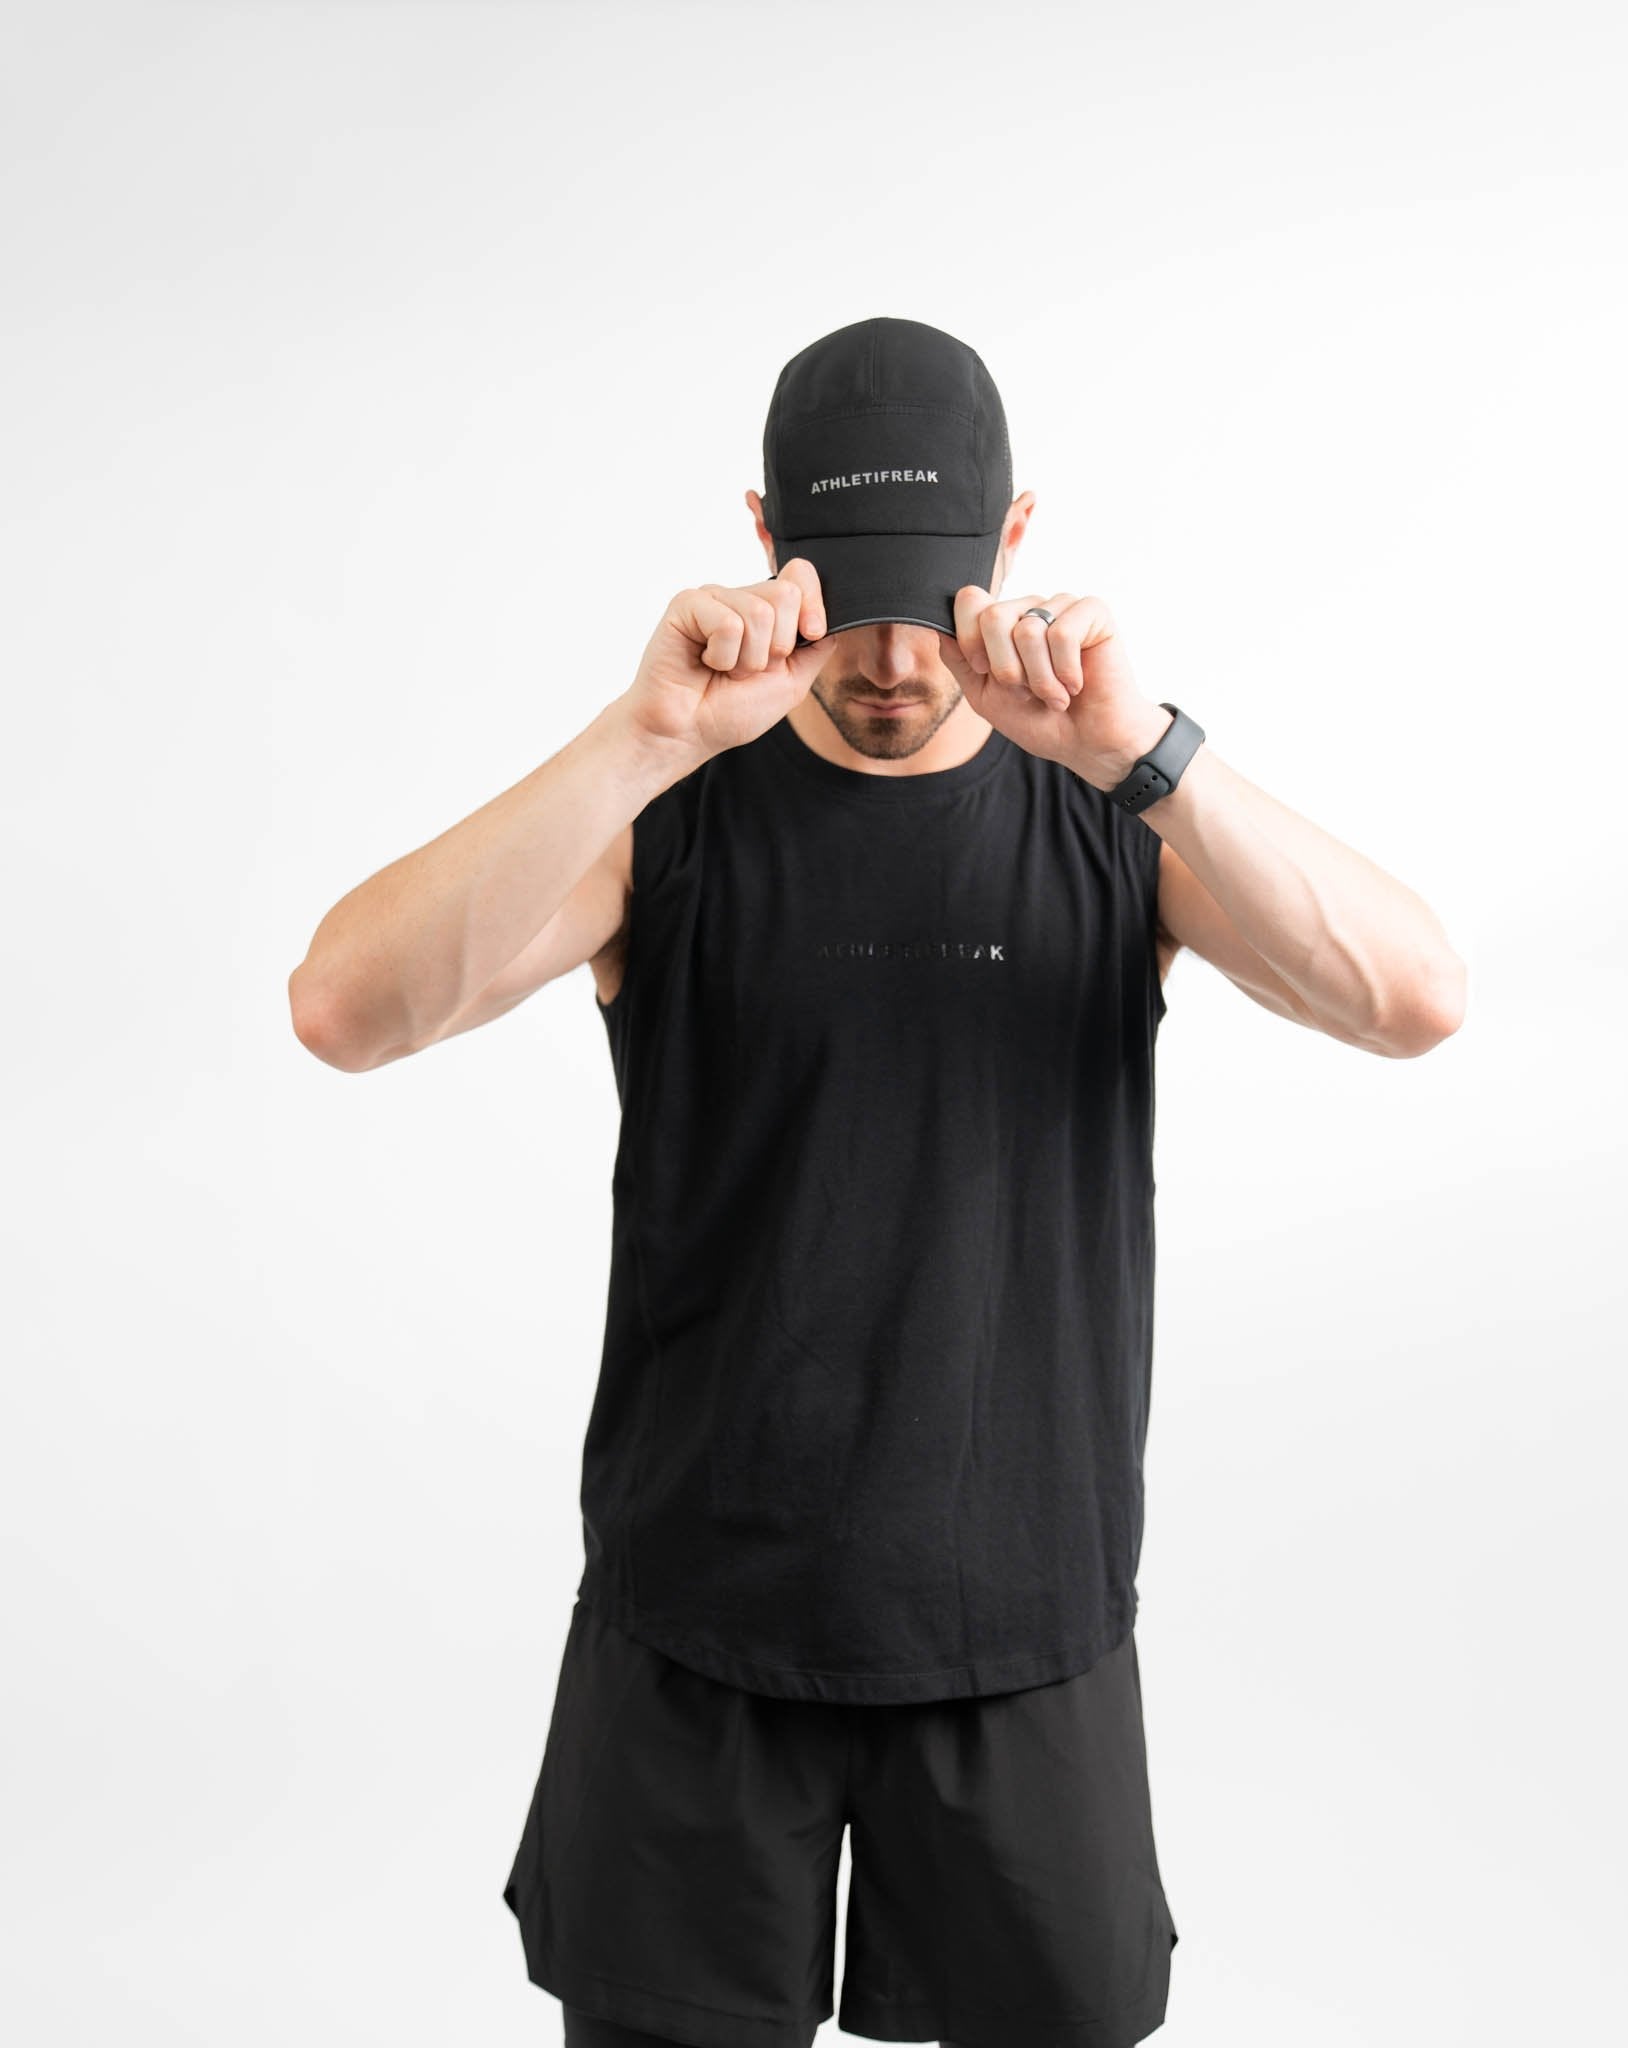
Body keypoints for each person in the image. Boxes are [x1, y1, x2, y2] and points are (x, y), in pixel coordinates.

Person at [288, 316, 1466, 2048]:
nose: (898, 657)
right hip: (695, 1625)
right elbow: (343, 1010)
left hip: (1024, 1623)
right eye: (850, 597)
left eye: (932, 592)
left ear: (1015, 538)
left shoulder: (1116, 821)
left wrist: (1145, 753)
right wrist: (643, 734)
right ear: (767, 540)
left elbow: (1414, 999)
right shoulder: (669, 815)